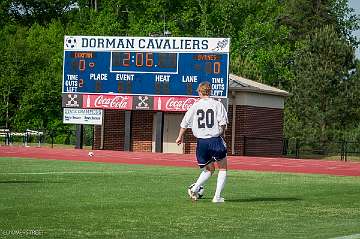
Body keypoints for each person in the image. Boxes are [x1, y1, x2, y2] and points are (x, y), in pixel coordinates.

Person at [176, 81, 228, 203]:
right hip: (214, 139)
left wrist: (179, 137)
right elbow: (223, 123)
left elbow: (184, 123)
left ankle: (194, 188)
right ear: (210, 92)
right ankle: (217, 197)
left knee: (209, 169)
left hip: (201, 142)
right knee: (223, 168)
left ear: (200, 91)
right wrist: (222, 133)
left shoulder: (195, 106)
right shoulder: (217, 104)